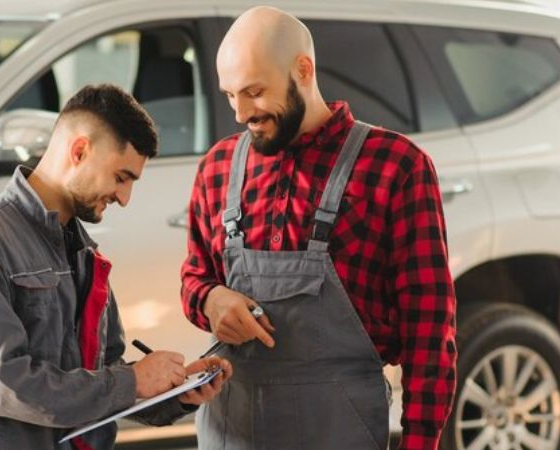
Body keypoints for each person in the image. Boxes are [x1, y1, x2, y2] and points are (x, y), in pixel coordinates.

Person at [180, 7, 456, 449]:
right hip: (230, 432)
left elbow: (429, 328)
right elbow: (195, 278)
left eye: (254, 91)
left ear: (303, 70)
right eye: (231, 94)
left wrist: (421, 442)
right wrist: (210, 299)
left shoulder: (395, 167)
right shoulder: (216, 168)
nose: (240, 112)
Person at [0, 84, 232, 450]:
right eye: (121, 177)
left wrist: (174, 391)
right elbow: (5, 385)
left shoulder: (84, 251)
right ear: (79, 151)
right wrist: (131, 381)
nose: (124, 198)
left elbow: (101, 375)